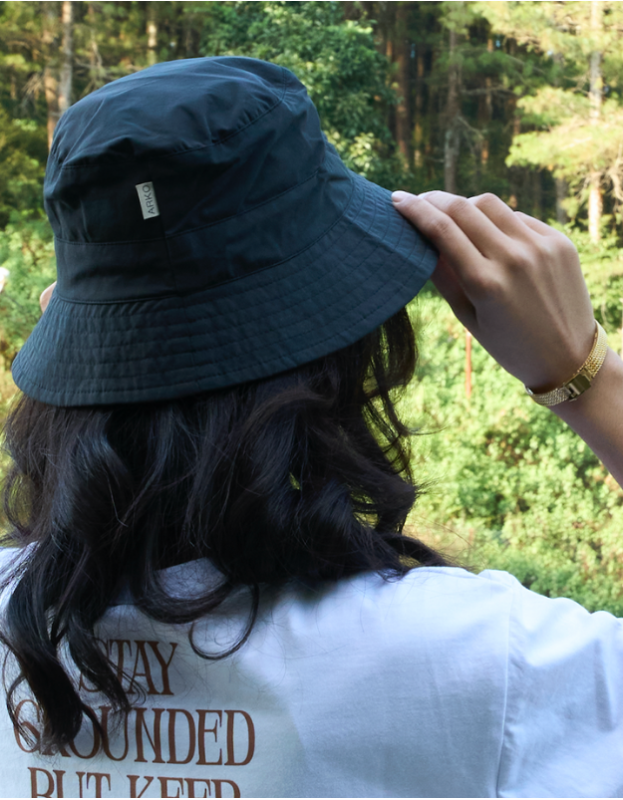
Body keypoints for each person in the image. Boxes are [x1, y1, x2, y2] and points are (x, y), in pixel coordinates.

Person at [1, 55, 623, 800]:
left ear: (78, 338)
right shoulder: (476, 662)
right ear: (341, 352)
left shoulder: (19, 622)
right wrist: (587, 379)